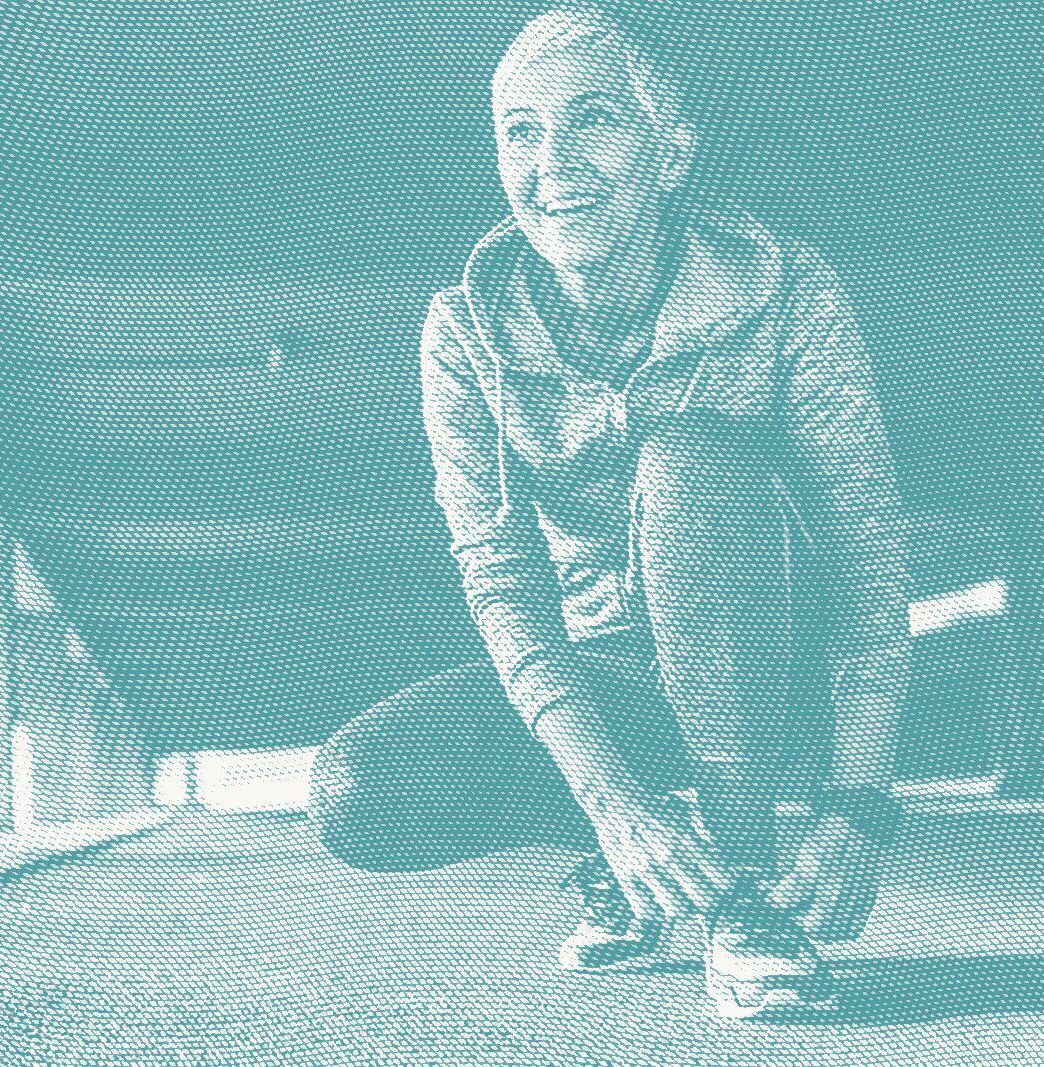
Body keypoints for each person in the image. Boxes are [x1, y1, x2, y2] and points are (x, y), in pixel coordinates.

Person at [307, 4, 911, 1020]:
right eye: (522, 130)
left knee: (684, 457)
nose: (554, 161)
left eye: (594, 120)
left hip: (777, 672)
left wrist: (859, 805)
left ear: (670, 154)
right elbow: (500, 574)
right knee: (356, 791)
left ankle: (743, 890)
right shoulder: (466, 329)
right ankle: (638, 857)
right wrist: (610, 800)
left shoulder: (785, 287)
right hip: (620, 685)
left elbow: (867, 549)